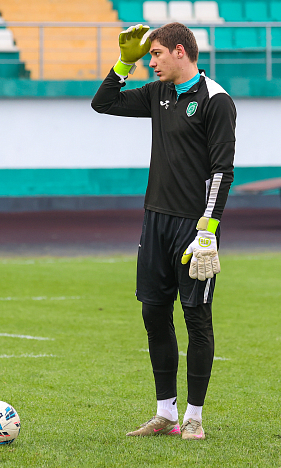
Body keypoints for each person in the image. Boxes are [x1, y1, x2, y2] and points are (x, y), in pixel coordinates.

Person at [91, 22, 236, 440]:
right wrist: (123, 63)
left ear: (179, 51)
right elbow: (103, 103)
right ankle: (165, 413)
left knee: (196, 318)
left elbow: (222, 171)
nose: (150, 62)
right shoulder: (159, 93)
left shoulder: (216, 100)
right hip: (155, 220)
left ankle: (194, 417)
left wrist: (208, 228)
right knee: (154, 314)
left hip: (195, 228)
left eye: (155, 54)